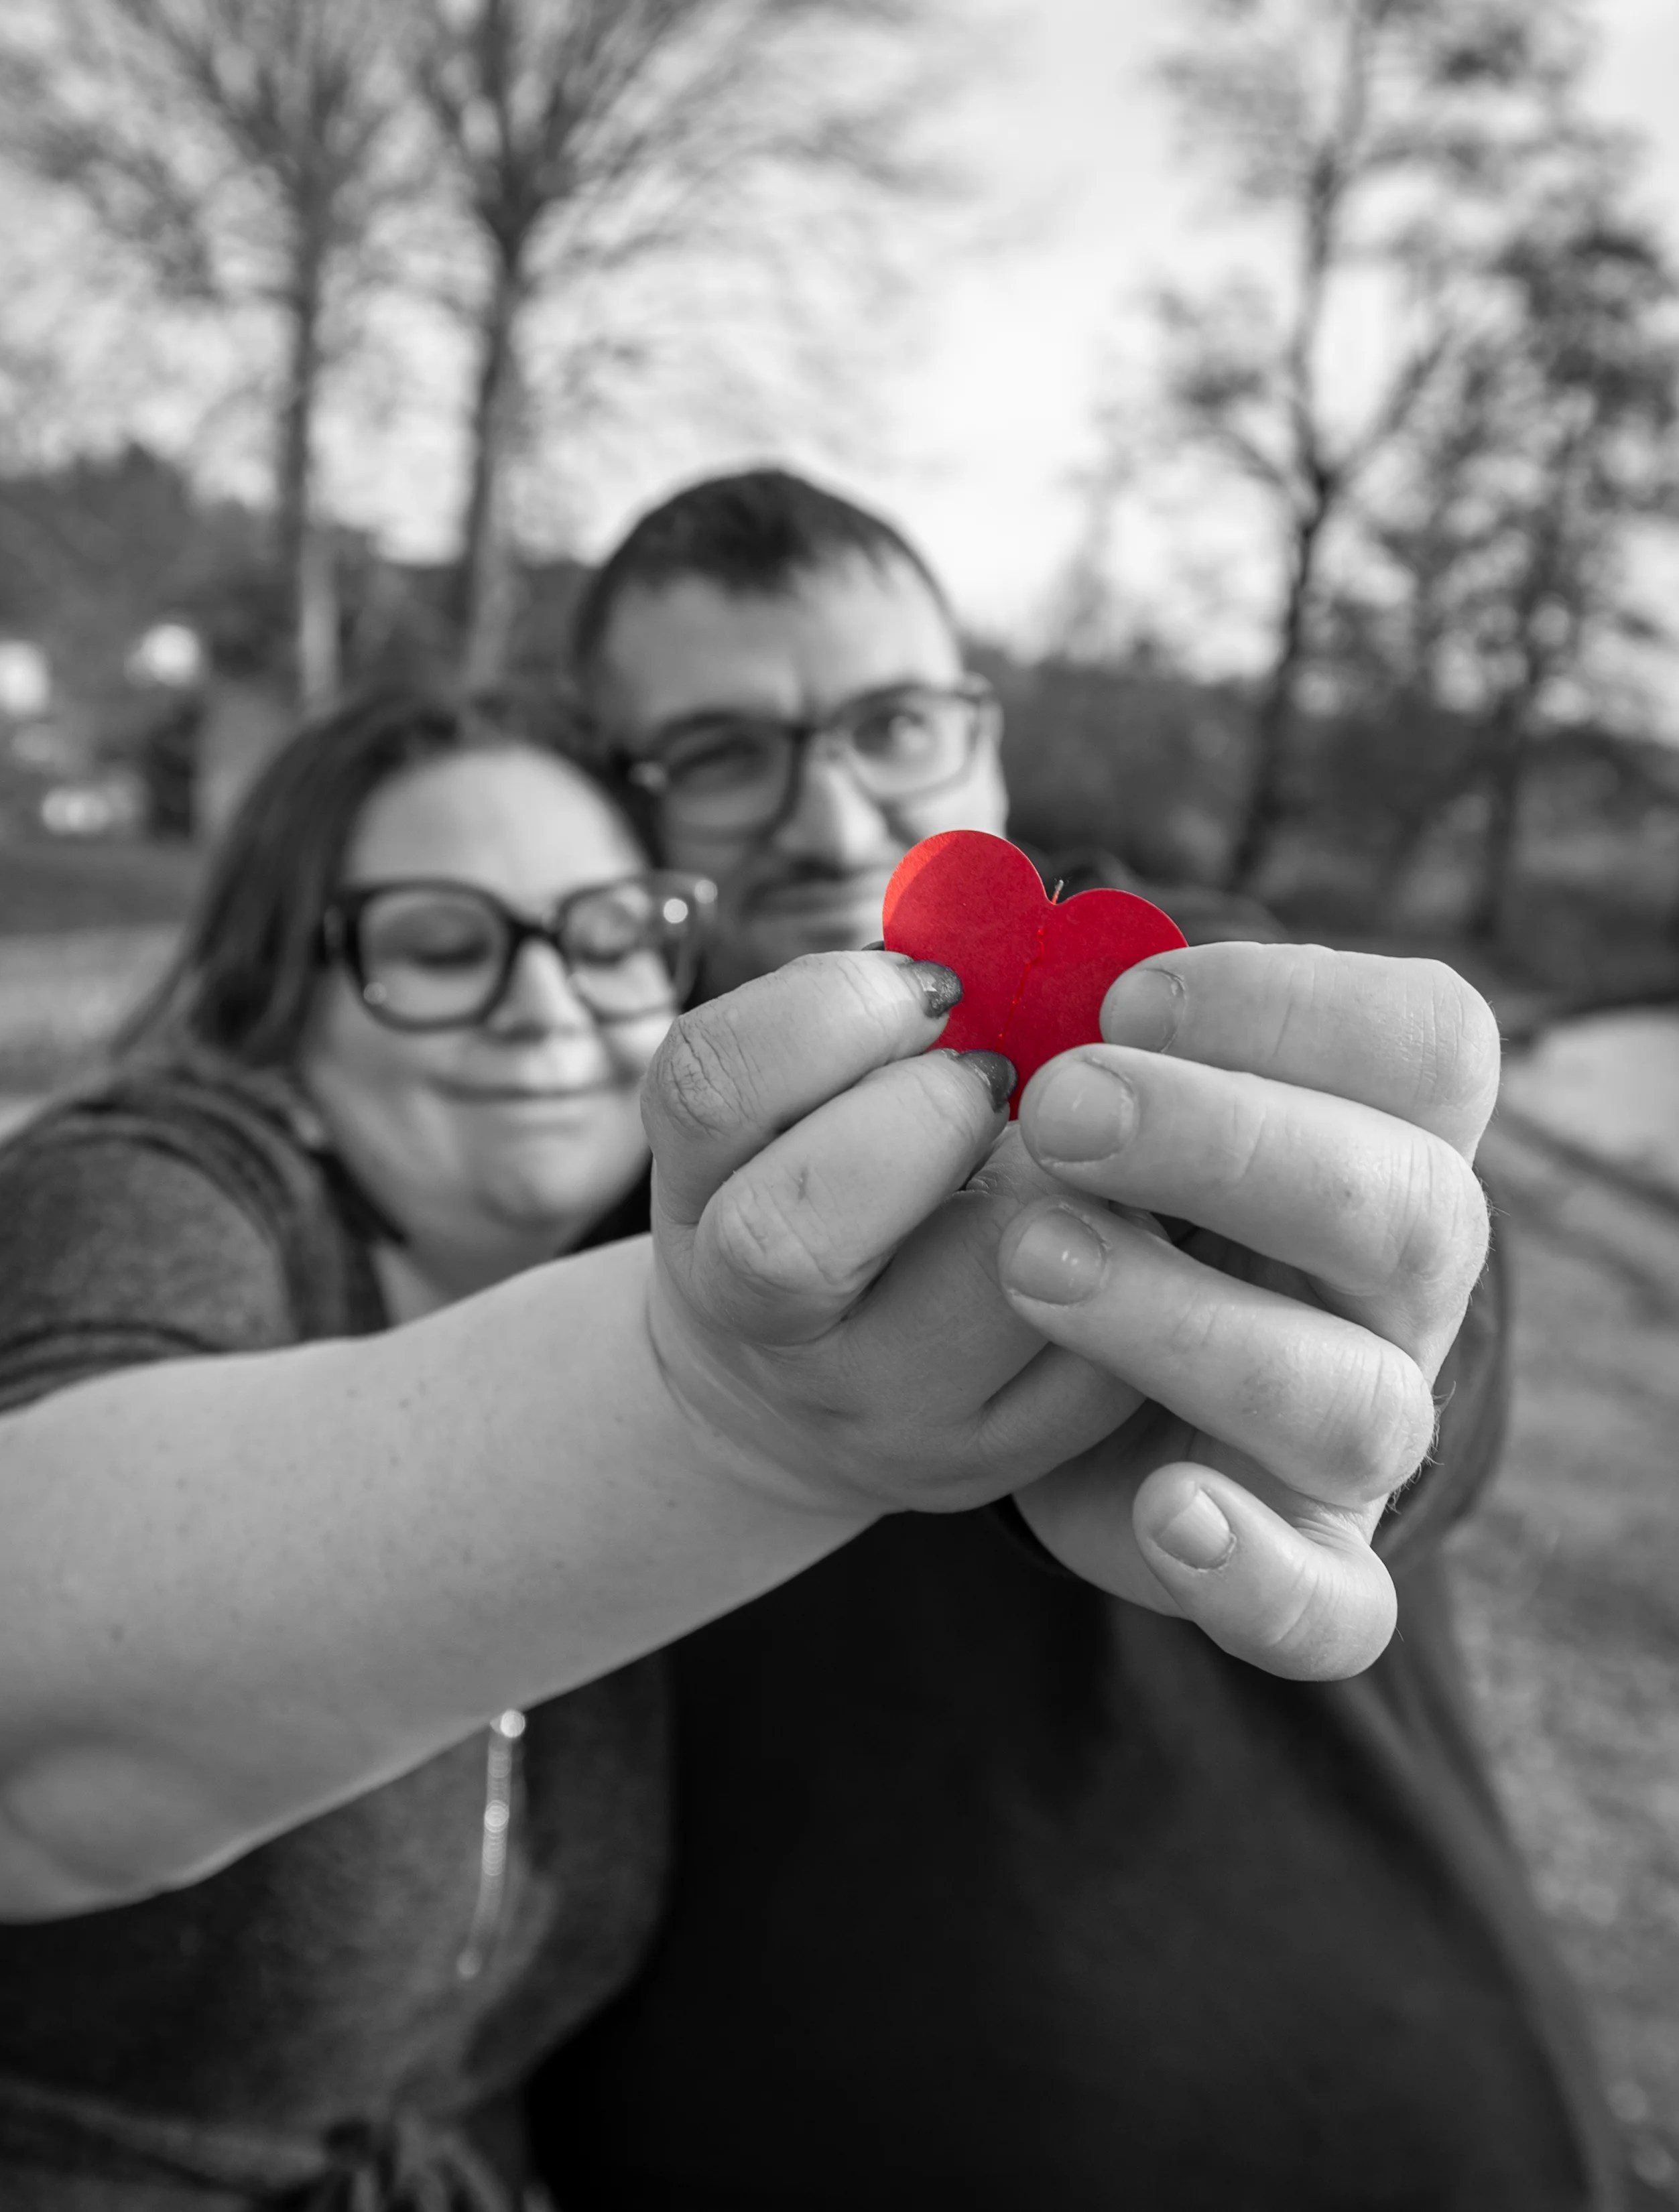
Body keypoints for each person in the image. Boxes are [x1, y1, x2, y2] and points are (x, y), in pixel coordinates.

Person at [0, 690, 1228, 2209]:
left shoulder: (583, 1283)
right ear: (283, 984)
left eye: (605, 936)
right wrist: (723, 1411)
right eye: (444, 945)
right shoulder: (139, 1188)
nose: (544, 1005)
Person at [529, 468, 1631, 2211]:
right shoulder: (580, 1177)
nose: (831, 814)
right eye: (724, 750)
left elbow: (1425, 1298)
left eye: (893, 720)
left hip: (1404, 2112)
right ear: (621, 804)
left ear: (981, 742)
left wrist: (1379, 1395)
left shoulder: (1193, 997)